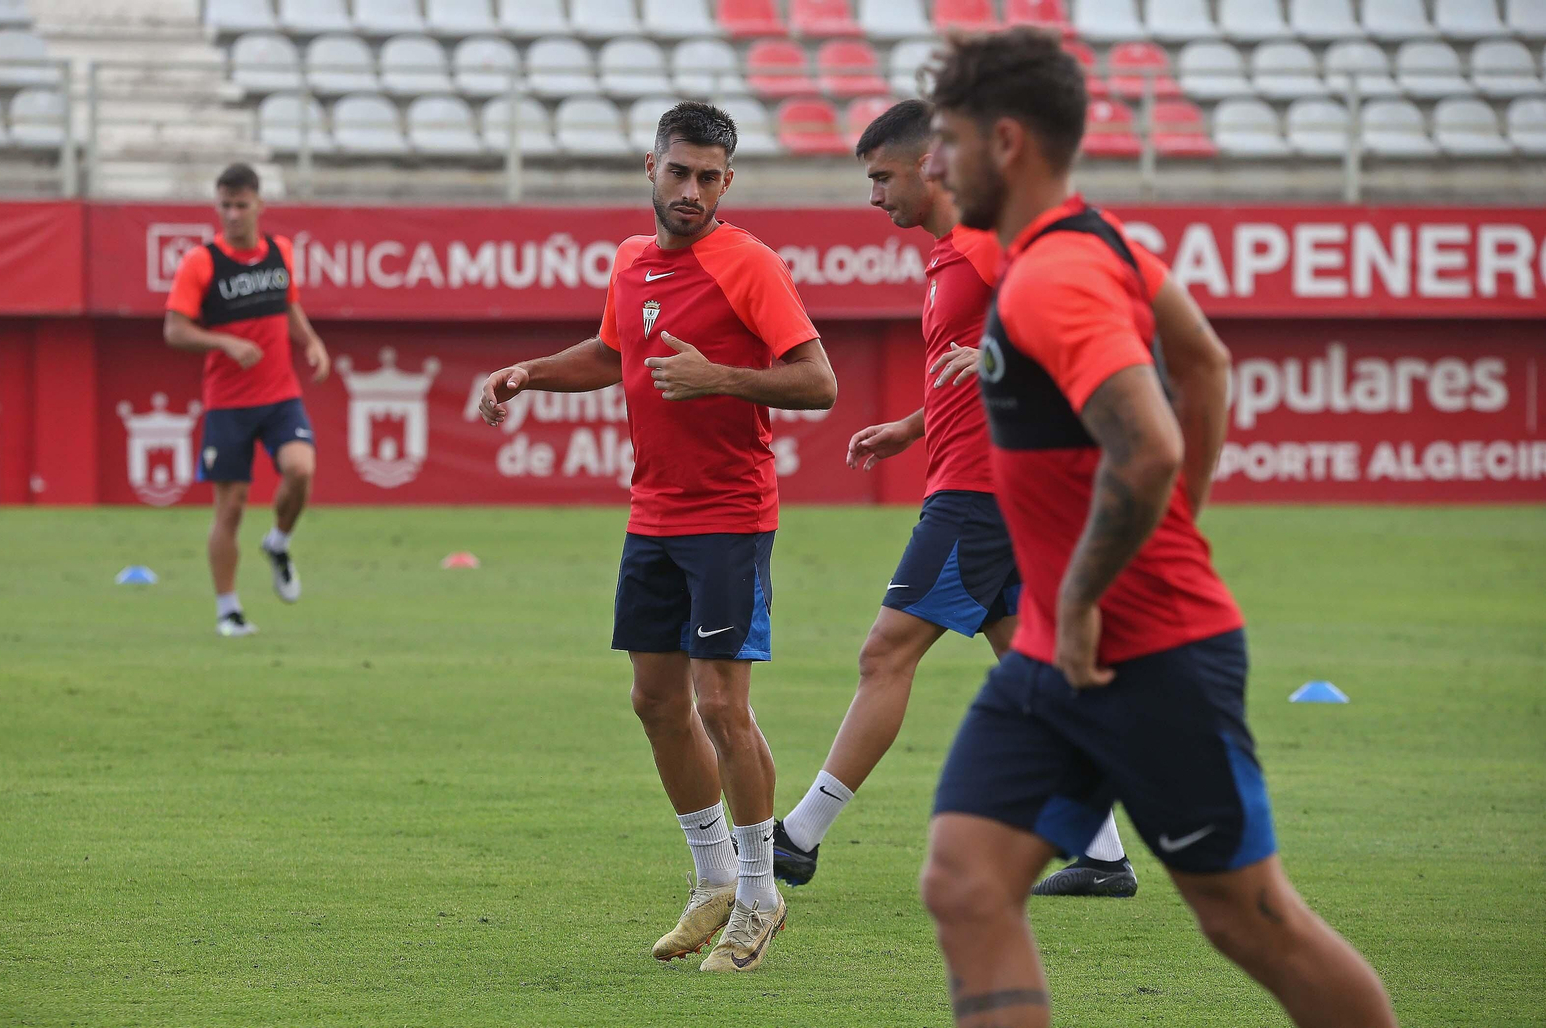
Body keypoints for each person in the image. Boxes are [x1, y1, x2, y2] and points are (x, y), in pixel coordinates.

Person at [918, 29, 1398, 1028]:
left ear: (1005, 143)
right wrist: (1142, 550)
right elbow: (1206, 361)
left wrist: (1093, 592)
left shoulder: (1054, 278)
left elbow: (1147, 445)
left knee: (1251, 920)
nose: (931, 166)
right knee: (965, 880)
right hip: (1052, 657)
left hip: (1154, 652)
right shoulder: (1106, 243)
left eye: (946, 141)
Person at [475, 102, 838, 973]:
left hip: (730, 514)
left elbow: (817, 382)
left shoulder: (747, 263)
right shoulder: (632, 262)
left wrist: (721, 377)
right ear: (651, 167)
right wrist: (529, 373)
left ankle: (759, 895)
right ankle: (712, 878)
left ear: (728, 182)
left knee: (721, 705)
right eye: (680, 171)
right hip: (655, 514)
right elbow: (614, 354)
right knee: (654, 702)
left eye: (710, 177)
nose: (692, 190)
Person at [772, 99, 1137, 898]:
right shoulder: (946, 256)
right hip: (981, 485)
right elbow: (973, 364)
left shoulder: (985, 243)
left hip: (984, 494)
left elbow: (1083, 318)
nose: (872, 197)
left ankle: (796, 837)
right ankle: (1104, 856)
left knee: (885, 651)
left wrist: (1003, 357)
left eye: (880, 178)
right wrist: (910, 426)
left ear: (927, 165)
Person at [164, 163, 329, 637]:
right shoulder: (201, 262)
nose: (232, 214)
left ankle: (278, 542)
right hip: (228, 403)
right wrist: (224, 343)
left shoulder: (281, 252)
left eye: (241, 205)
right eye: (224, 205)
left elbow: (288, 304)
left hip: (280, 396)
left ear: (259, 205)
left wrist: (311, 341)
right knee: (231, 508)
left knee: (301, 470)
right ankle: (228, 610)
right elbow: (174, 329)